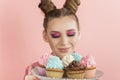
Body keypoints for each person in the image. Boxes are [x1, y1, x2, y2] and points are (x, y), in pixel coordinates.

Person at [24, 0, 81, 80]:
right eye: (55, 35)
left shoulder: (88, 68)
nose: (64, 42)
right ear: (45, 36)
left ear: (78, 34)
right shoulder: (34, 71)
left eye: (70, 34)